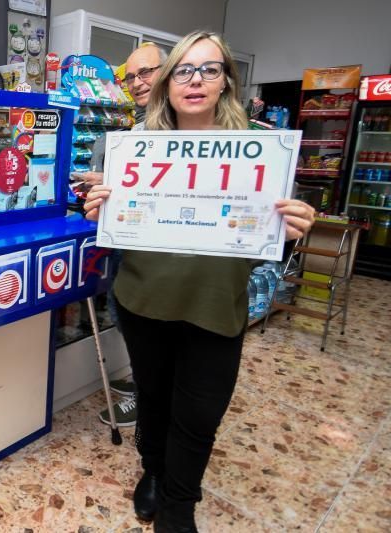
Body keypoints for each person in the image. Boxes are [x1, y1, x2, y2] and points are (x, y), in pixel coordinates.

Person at [83, 31, 315, 533]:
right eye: (184, 70)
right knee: (155, 397)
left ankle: (179, 504)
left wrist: (293, 230)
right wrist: (101, 209)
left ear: (226, 80)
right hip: (145, 299)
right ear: (168, 83)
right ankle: (154, 470)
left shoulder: (262, 150)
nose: (195, 80)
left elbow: (272, 244)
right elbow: (114, 226)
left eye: (209, 69)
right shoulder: (132, 147)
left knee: (200, 413)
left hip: (216, 305)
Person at [76, 43, 167, 429]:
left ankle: (151, 401)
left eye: (146, 72)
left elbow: (169, 192)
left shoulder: (179, 129)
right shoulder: (136, 130)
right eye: (130, 76)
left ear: (170, 70)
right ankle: (143, 383)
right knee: (124, 315)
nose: (137, 83)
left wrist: (113, 183)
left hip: (158, 259)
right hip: (125, 247)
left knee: (153, 330)